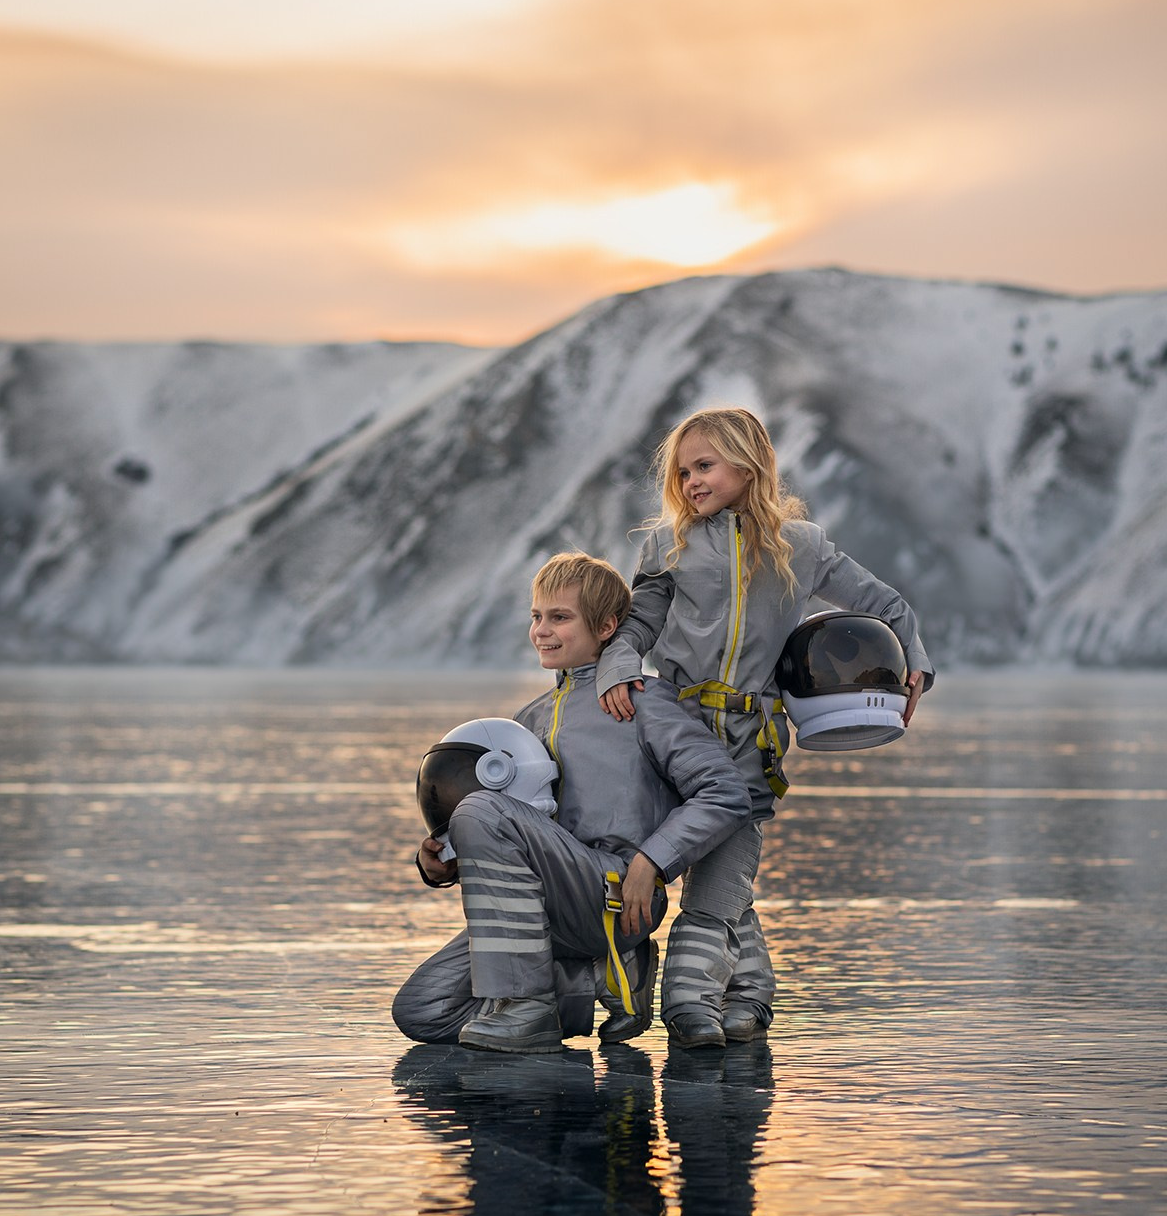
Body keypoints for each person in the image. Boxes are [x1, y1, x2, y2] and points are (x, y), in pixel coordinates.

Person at [597, 406, 935, 1049]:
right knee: (714, 865)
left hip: (753, 739)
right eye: (682, 471)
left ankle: (690, 1008)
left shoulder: (801, 547)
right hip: (673, 732)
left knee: (722, 873)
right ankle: (747, 995)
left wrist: (912, 665)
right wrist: (618, 669)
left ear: (748, 465)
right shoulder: (665, 545)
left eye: (705, 466)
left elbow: (886, 605)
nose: (691, 480)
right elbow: (637, 625)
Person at [392, 551, 752, 1054]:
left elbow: (726, 792)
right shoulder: (529, 720)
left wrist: (652, 862)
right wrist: (442, 862)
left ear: (607, 626)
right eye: (536, 616)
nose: (542, 630)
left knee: (479, 807)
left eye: (559, 617)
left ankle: (527, 1007)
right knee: (423, 1010)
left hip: (619, 893)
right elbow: (518, 831)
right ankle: (599, 978)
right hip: (551, 907)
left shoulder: (644, 701)